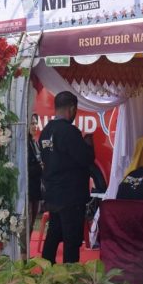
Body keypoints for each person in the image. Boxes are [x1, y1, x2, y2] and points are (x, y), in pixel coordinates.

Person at [40, 91, 95, 264]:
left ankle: (45, 270)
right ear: (72, 109)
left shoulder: (45, 132)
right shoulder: (70, 132)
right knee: (71, 241)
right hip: (71, 196)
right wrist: (88, 144)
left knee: (54, 234)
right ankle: (71, 278)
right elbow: (85, 159)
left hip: (53, 193)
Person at [26, 114, 44, 239]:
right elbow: (25, 168)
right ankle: (23, 254)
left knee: (32, 222)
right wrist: (41, 167)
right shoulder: (25, 144)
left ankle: (26, 252)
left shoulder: (35, 142)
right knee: (27, 222)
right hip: (27, 189)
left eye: (35, 123)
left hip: (36, 188)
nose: (35, 126)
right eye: (32, 123)